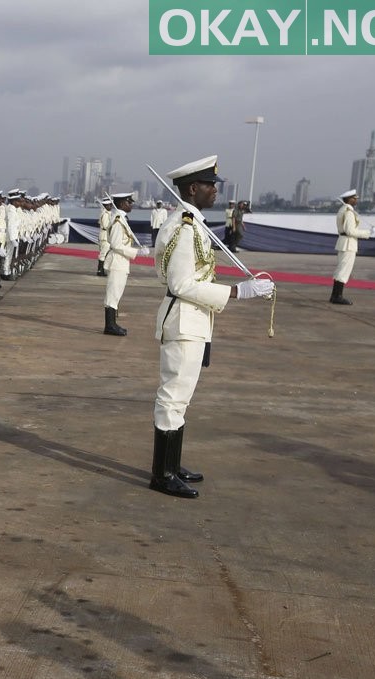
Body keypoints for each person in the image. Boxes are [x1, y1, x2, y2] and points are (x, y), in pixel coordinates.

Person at [151, 155, 273, 499]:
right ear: (193, 188)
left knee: (181, 399)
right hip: (183, 321)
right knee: (172, 398)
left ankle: (172, 466)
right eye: (210, 186)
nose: (215, 192)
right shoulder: (184, 227)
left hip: (196, 321)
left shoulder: (194, 224)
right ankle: (162, 474)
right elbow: (181, 284)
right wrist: (237, 291)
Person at [102, 192, 150, 336]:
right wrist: (136, 252)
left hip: (121, 262)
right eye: (129, 202)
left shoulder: (121, 218)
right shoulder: (118, 221)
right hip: (117, 261)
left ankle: (113, 324)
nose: (131, 205)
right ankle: (109, 325)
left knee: (116, 294)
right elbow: (116, 245)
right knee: (112, 294)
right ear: (122, 203)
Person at [331, 190, 373, 305]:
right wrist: (368, 233)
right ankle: (337, 296)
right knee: (343, 271)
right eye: (354, 198)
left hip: (344, 243)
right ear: (349, 199)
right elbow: (350, 231)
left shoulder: (343, 210)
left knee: (341, 269)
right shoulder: (348, 212)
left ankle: (335, 295)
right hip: (348, 244)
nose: (356, 200)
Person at [96, 196, 113, 276]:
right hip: (105, 236)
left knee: (105, 254)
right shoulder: (105, 214)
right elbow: (106, 226)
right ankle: (100, 270)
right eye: (109, 205)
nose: (111, 206)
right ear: (106, 206)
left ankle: (102, 270)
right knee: (103, 254)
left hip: (106, 235)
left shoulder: (107, 213)